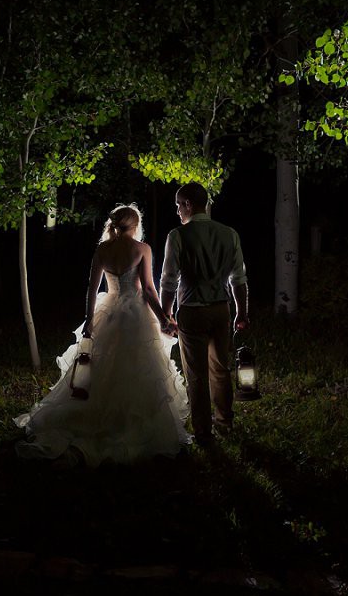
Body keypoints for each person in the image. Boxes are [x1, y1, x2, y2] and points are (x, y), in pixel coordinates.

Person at [14, 204, 191, 467]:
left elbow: (91, 288)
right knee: (137, 370)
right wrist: (165, 318)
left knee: (101, 370)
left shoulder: (102, 250)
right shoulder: (142, 249)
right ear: (135, 225)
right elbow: (149, 291)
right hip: (135, 315)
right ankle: (128, 422)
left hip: (107, 311)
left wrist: (89, 321)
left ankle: (96, 419)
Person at [160, 182, 249, 447]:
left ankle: (203, 432)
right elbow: (239, 279)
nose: (177, 211)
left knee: (197, 374)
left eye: (178, 205)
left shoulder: (177, 236)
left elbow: (168, 281)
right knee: (220, 369)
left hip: (191, 311)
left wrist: (166, 315)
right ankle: (225, 421)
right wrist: (241, 312)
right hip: (221, 309)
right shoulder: (229, 233)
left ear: (188, 204)